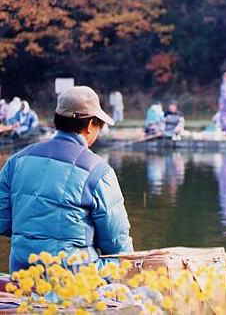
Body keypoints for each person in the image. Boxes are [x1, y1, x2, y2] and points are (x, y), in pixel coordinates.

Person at [0, 86, 133, 272]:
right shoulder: (99, 171)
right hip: (76, 276)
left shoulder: (17, 160)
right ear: (89, 126)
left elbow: (3, 222)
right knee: (125, 262)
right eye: (99, 126)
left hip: (23, 272)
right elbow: (116, 243)